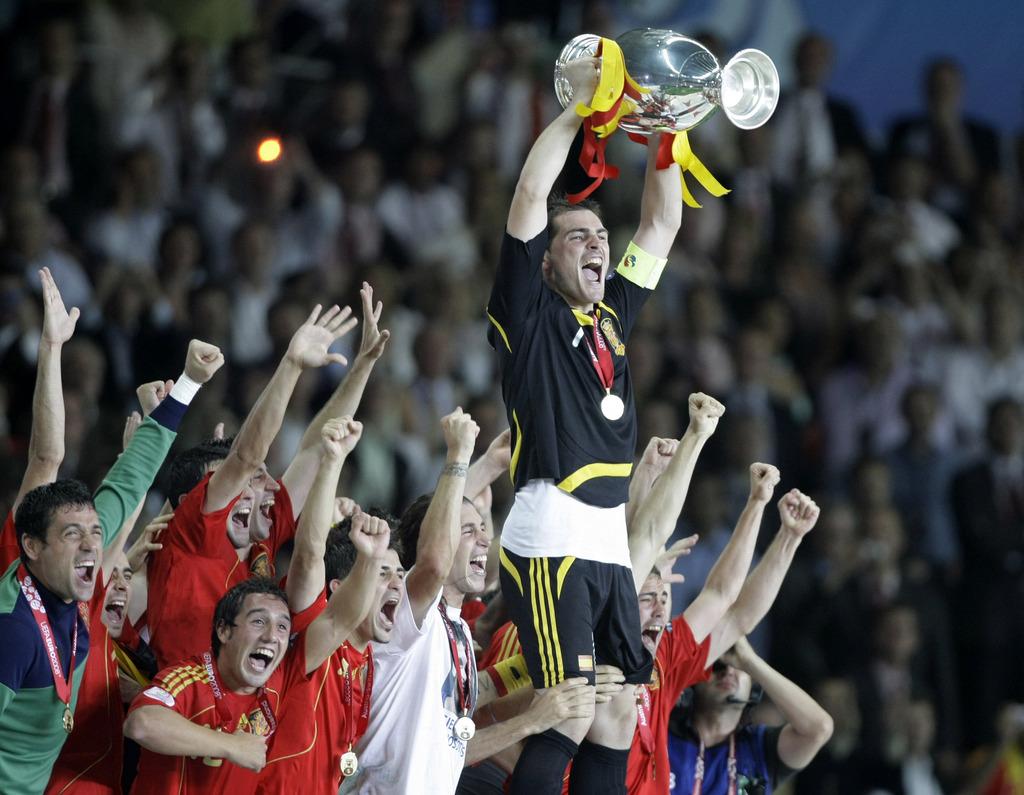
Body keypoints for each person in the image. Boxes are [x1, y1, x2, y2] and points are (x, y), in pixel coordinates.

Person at [487, 53, 684, 794]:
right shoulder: (529, 318)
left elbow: (663, 219)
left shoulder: (613, 318)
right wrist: (579, 105)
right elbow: (532, 192)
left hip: (606, 535)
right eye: (577, 237)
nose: (597, 244)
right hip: (552, 529)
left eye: (600, 237)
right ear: (543, 262)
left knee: (614, 713)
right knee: (565, 711)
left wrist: (667, 129)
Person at [0, 335, 224, 795]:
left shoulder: (69, 585)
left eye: (95, 533)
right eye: (72, 535)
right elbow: (47, 458)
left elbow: (131, 476)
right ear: (32, 546)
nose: (91, 547)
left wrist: (189, 383)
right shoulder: (14, 631)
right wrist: (51, 347)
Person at [143, 300, 360, 669]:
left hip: (239, 708)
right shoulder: (195, 530)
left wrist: (365, 363)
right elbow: (245, 457)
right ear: (189, 501)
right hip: (185, 705)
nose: (254, 488)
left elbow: (312, 449)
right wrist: (291, 364)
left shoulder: (258, 542)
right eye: (231, 482)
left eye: (254, 481)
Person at [124, 508, 393, 794]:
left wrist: (371, 558)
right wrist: (229, 745)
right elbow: (141, 723)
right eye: (259, 622)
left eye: (281, 627)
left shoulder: (278, 681)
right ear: (224, 630)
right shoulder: (190, 679)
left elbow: (339, 621)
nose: (271, 637)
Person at [255, 416, 405, 794]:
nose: (397, 584)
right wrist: (333, 460)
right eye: (383, 573)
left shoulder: (367, 662)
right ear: (334, 588)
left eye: (398, 575)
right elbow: (308, 555)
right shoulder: (314, 634)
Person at [666, 636, 833, 794]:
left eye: (738, 668)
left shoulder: (759, 747)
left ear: (753, 690)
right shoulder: (662, 731)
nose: (729, 671)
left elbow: (819, 729)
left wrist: (749, 660)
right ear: (694, 682)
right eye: (717, 665)